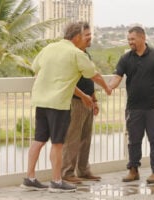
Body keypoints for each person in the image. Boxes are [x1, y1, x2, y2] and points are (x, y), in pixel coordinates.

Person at [20, 22, 111, 193]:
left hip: (40, 101)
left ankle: (29, 178)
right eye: (85, 36)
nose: (87, 40)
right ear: (76, 37)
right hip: (58, 103)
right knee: (58, 143)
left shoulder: (49, 48)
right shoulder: (76, 53)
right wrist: (106, 88)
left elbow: (35, 68)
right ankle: (56, 181)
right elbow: (95, 75)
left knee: (38, 140)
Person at [109, 26, 154, 184]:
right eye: (128, 40)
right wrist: (109, 87)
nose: (130, 42)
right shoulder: (126, 58)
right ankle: (133, 170)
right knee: (133, 140)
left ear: (142, 38)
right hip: (134, 108)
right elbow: (117, 76)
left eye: (133, 39)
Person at [61, 22, 101, 184]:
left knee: (86, 138)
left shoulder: (86, 54)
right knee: (72, 138)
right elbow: (68, 81)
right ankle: (67, 172)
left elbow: (89, 79)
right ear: (77, 37)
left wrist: (94, 99)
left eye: (90, 34)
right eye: (87, 35)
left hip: (88, 102)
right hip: (75, 101)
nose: (90, 37)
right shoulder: (71, 54)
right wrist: (84, 96)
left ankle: (83, 170)